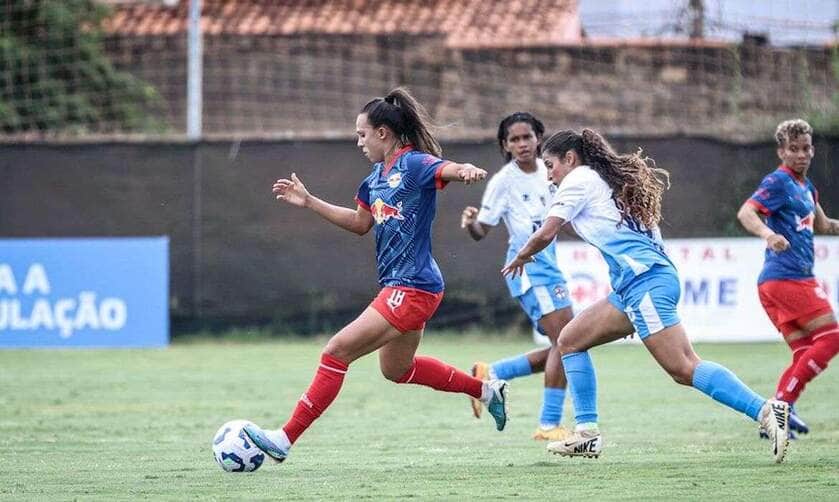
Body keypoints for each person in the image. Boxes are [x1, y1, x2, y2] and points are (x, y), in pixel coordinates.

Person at [243, 88, 509, 464]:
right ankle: (485, 391)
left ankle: (284, 439)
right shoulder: (373, 179)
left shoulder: (415, 164)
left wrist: (463, 170)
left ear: (382, 133)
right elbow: (359, 224)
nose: (358, 141)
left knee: (336, 351)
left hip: (412, 286)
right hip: (404, 286)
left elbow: (444, 168)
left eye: (361, 134)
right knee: (396, 370)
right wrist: (309, 201)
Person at [502, 128, 790, 463]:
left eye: (550, 164)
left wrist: (521, 255)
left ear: (570, 158)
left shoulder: (579, 178)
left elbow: (547, 231)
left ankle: (766, 410)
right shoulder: (604, 182)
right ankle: (586, 433)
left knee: (683, 368)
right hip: (635, 286)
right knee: (569, 340)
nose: (548, 173)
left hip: (645, 283)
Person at [461, 112, 574, 441]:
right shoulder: (503, 182)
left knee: (566, 344)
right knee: (568, 343)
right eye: (514, 139)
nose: (522, 144)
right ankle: (548, 425)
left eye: (527, 137)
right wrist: (470, 223)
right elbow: (483, 229)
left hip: (549, 263)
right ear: (505, 145)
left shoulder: (551, 172)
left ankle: (490, 374)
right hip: (527, 268)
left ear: (539, 138)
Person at [737, 118, 839, 438]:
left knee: (804, 351)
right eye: (793, 149)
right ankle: (783, 405)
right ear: (781, 152)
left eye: (806, 148)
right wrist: (769, 235)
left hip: (777, 283)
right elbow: (746, 213)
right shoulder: (779, 181)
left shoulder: (807, 188)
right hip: (788, 279)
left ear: (813, 150)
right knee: (833, 337)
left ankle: (776, 416)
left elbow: (823, 226)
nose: (801, 154)